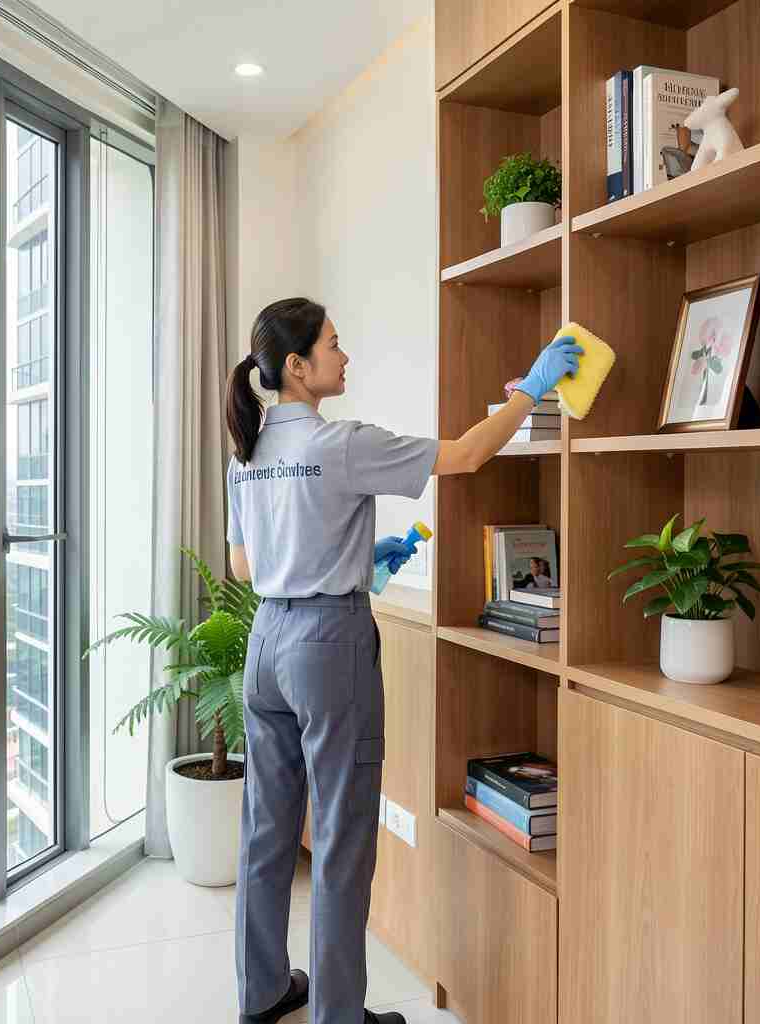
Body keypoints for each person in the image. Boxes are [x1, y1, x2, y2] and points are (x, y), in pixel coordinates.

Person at [226, 298, 580, 1024]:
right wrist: (534, 388)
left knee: (266, 832)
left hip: (266, 642)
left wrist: (349, 559)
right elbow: (470, 454)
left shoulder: (251, 451)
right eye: (333, 343)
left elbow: (242, 563)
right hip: (328, 647)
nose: (345, 354)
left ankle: (261, 993)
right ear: (297, 367)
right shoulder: (339, 443)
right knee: (342, 842)